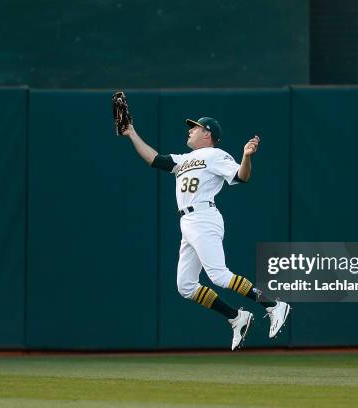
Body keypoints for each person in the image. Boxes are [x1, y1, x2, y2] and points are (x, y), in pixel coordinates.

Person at [121, 117, 291, 350]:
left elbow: (242, 177)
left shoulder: (216, 155)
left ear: (207, 134)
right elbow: (155, 159)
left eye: (195, 127)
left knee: (219, 276)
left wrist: (246, 156)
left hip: (204, 217)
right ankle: (236, 317)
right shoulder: (183, 159)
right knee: (186, 286)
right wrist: (131, 132)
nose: (190, 130)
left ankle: (273, 304)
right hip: (188, 222)